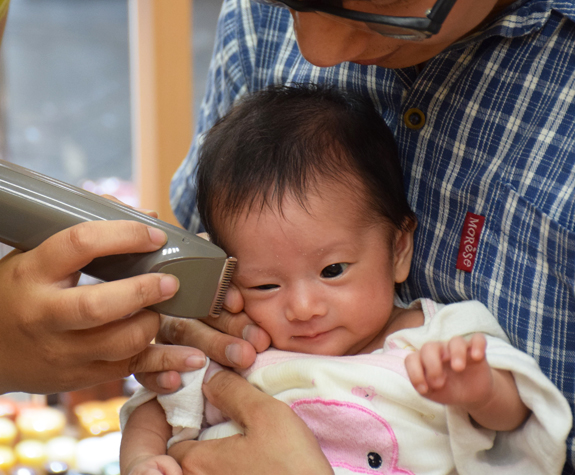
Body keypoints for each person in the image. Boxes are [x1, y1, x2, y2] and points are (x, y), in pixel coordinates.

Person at [153, 0, 575, 473]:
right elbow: (154, 405)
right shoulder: (248, 354)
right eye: (265, 285)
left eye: (332, 271)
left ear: (399, 249)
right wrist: (145, 460)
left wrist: (479, 390)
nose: (303, 308)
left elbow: (518, 416)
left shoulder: (433, 338)